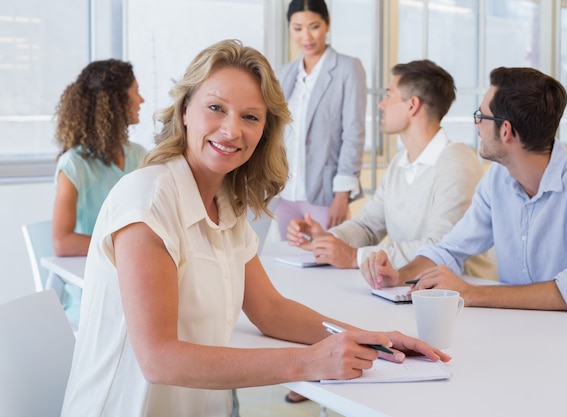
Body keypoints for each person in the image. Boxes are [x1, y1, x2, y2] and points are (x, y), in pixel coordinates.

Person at [60, 40, 450, 417]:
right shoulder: (147, 199)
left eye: (250, 117)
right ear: (184, 111)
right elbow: (159, 360)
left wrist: (376, 339)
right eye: (216, 108)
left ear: (265, 130)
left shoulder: (225, 204)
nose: (232, 130)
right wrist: (308, 362)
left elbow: (270, 310)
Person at [361, 66, 567, 313]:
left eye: (481, 116)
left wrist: (472, 293)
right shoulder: (498, 179)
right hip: (516, 332)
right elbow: (449, 250)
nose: (476, 125)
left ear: (506, 130)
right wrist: (400, 275)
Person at [286, 60, 493, 280]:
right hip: (412, 290)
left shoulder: (457, 163)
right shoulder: (399, 163)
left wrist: (355, 256)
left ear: (412, 105)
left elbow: (441, 247)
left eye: (388, 95)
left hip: (461, 298)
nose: (381, 105)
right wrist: (327, 239)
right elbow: (367, 226)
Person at [51, 59, 146, 327]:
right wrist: (126, 245)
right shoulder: (74, 165)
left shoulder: (139, 155)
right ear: (116, 102)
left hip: (134, 278)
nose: (142, 99)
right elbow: (62, 242)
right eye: (135, 92)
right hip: (93, 293)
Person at [275, 0, 366, 239]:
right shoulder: (284, 73)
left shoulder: (348, 68)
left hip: (324, 194)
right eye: (297, 28)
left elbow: (353, 134)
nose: (306, 36)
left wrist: (342, 195)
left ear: (327, 24)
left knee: (324, 266)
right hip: (285, 195)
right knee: (287, 266)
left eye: (314, 26)